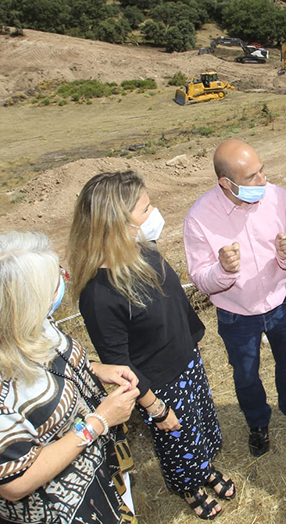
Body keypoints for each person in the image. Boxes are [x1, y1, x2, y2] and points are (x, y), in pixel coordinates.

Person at [0, 231, 140, 524]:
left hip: (98, 475)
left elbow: (53, 363)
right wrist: (99, 422)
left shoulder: (30, 322)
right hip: (64, 509)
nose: (63, 281)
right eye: (53, 281)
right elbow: (15, 483)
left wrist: (93, 368)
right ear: (18, 303)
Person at [69, 171, 235, 521]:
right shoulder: (98, 294)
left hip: (187, 363)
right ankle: (189, 487)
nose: (155, 213)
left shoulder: (146, 252)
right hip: (158, 386)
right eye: (145, 209)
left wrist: (194, 340)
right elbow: (119, 364)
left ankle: (204, 469)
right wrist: (155, 409)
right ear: (116, 222)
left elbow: (174, 300)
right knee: (178, 443)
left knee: (201, 426)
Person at [183, 139, 286, 458]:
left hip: (282, 303)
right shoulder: (199, 218)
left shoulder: (278, 197)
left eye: (262, 171)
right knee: (245, 375)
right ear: (226, 183)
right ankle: (257, 423)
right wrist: (223, 270)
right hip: (236, 315)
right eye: (252, 177)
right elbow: (201, 278)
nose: (263, 181)